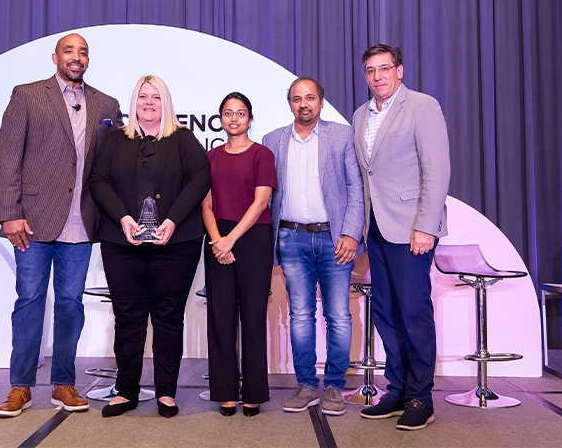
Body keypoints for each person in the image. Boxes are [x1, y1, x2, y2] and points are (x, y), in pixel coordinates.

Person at [0, 33, 123, 417]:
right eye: (69, 50)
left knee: (70, 305)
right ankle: (20, 386)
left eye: (83, 51)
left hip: (82, 223)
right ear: (55, 57)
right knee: (30, 301)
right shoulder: (27, 95)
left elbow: (113, 163)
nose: (77, 57)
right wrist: (9, 213)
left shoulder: (107, 104)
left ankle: (63, 383)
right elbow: (7, 158)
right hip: (31, 220)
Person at [90, 74, 211, 418]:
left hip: (176, 244)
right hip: (121, 243)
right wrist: (123, 219)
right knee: (128, 318)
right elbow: (98, 181)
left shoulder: (184, 139)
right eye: (143, 96)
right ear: (134, 102)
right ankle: (126, 390)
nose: (149, 102)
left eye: (156, 97)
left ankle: (166, 393)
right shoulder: (116, 141)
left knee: (168, 318)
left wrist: (171, 220)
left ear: (166, 102)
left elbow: (200, 179)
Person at [353, 44, 450, 430]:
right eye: (370, 70)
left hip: (412, 229)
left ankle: (420, 397)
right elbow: (368, 176)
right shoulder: (361, 115)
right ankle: (396, 389)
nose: (377, 76)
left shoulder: (423, 107)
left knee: (413, 312)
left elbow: (437, 170)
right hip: (376, 228)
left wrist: (425, 225)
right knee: (387, 314)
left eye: (384, 68)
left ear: (399, 71)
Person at [262, 77, 364, 416]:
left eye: (310, 98)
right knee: (301, 315)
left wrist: (351, 233)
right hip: (291, 239)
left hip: (335, 240)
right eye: (296, 99)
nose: (303, 104)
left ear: (321, 101)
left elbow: (355, 188)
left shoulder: (342, 135)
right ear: (289, 103)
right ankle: (306, 384)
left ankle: (334, 385)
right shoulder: (272, 140)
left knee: (338, 315)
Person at [201, 92, 276, 418]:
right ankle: (225, 391)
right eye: (228, 113)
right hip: (218, 237)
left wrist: (231, 240)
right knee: (220, 318)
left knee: (253, 317)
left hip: (253, 237)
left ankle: (254, 393)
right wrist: (219, 240)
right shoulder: (210, 157)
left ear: (249, 118)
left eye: (240, 113)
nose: (234, 119)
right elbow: (205, 204)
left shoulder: (262, 154)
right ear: (220, 119)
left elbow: (261, 202)